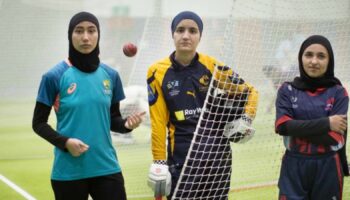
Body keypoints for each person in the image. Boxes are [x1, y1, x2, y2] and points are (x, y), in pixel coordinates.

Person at [32, 11, 145, 200]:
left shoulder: (111, 75)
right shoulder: (53, 77)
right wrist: (65, 143)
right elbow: (38, 124)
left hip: (106, 167)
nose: (85, 37)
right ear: (70, 35)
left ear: (98, 34)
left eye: (91, 31)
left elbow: (113, 120)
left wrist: (126, 125)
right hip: (69, 171)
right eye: (79, 31)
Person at [146, 11, 258, 199]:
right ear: (173, 34)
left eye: (193, 31)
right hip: (182, 157)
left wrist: (247, 117)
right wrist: (159, 160)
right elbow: (158, 122)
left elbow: (251, 92)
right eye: (180, 30)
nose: (186, 36)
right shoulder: (156, 71)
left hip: (217, 156)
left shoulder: (212, 66)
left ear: (200, 36)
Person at [275, 35, 349, 199]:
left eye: (321, 56)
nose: (314, 61)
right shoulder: (287, 90)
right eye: (309, 55)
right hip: (293, 166)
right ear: (301, 58)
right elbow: (282, 126)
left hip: (328, 166)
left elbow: (335, 137)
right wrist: (327, 122)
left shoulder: (338, 92)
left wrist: (295, 127)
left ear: (329, 61)